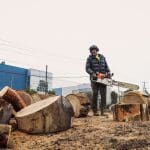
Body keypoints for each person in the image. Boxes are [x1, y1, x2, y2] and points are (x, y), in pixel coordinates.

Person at [85, 45, 111, 116]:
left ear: (97, 50)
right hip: (94, 79)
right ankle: (95, 111)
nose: (93, 51)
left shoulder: (102, 57)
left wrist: (108, 72)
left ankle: (103, 111)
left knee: (103, 94)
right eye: (92, 50)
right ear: (91, 51)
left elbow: (106, 67)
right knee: (95, 94)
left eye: (94, 50)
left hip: (103, 78)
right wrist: (92, 73)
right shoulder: (89, 59)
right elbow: (87, 68)